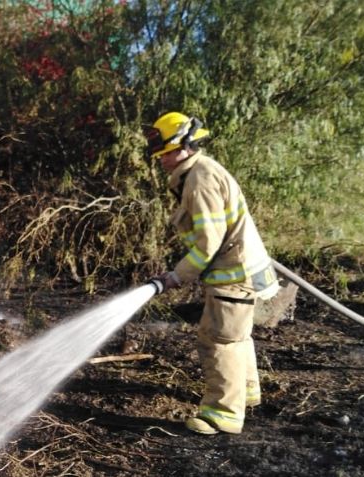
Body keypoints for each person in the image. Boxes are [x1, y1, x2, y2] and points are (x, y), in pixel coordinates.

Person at [144, 112, 279, 435]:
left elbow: (208, 244)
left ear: (184, 146)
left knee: (219, 340)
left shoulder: (199, 181)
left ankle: (223, 413)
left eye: (165, 153)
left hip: (234, 274)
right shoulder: (201, 171)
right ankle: (246, 391)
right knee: (236, 335)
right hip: (242, 269)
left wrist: (175, 276)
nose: (161, 160)